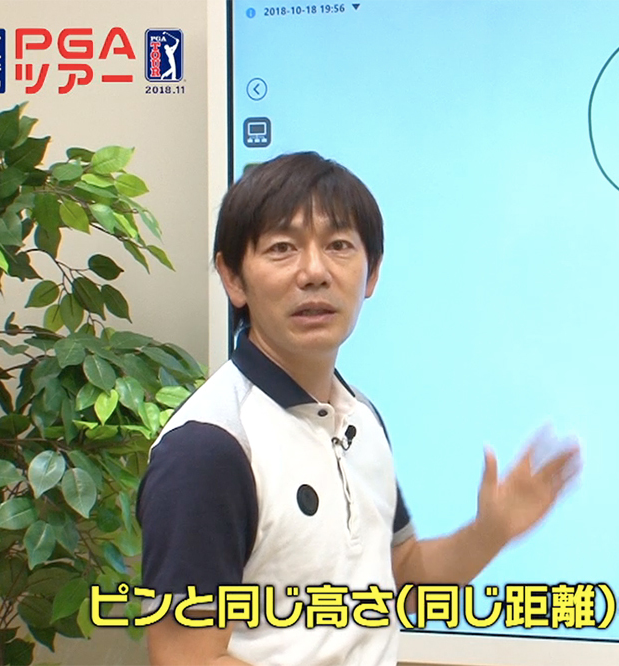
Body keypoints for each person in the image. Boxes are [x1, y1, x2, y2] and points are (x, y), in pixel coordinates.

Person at [135, 152, 581, 666]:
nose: (314, 272)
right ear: (233, 278)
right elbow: (186, 659)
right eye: (282, 248)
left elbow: (403, 580)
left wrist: (489, 533)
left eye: (339, 246)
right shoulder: (209, 449)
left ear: (371, 274)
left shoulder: (360, 417)